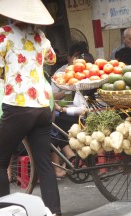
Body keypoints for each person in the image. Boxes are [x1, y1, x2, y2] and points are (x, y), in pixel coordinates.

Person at [0, 0, 62, 216]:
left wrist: (8, 74)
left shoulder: (5, 32)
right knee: (44, 162)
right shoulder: (40, 35)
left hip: (18, 106)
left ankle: (2, 213)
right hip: (41, 106)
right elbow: (52, 58)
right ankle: (54, 213)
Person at [51, 43, 93, 178]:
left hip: (84, 118)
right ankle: (71, 156)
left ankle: (71, 156)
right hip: (81, 116)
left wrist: (62, 109)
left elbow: (83, 110)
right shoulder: (82, 81)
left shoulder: (86, 83)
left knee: (53, 124)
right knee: (56, 124)